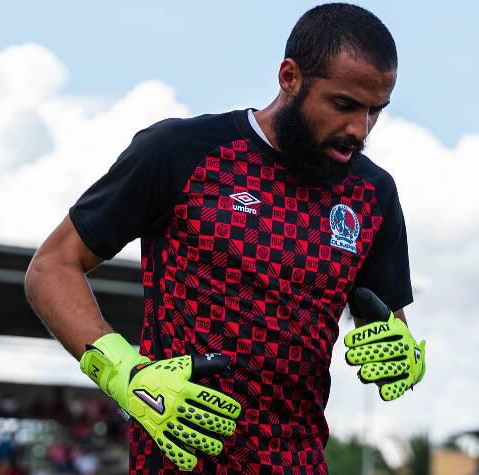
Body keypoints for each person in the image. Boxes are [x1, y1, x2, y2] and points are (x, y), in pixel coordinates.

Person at [25, 3, 426, 473]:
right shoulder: (179, 151)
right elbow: (51, 267)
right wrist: (123, 372)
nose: (360, 128)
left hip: (300, 462)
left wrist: (400, 354)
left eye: (375, 111)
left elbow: (385, 325)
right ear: (290, 77)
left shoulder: (373, 194)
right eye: (344, 105)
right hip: (178, 462)